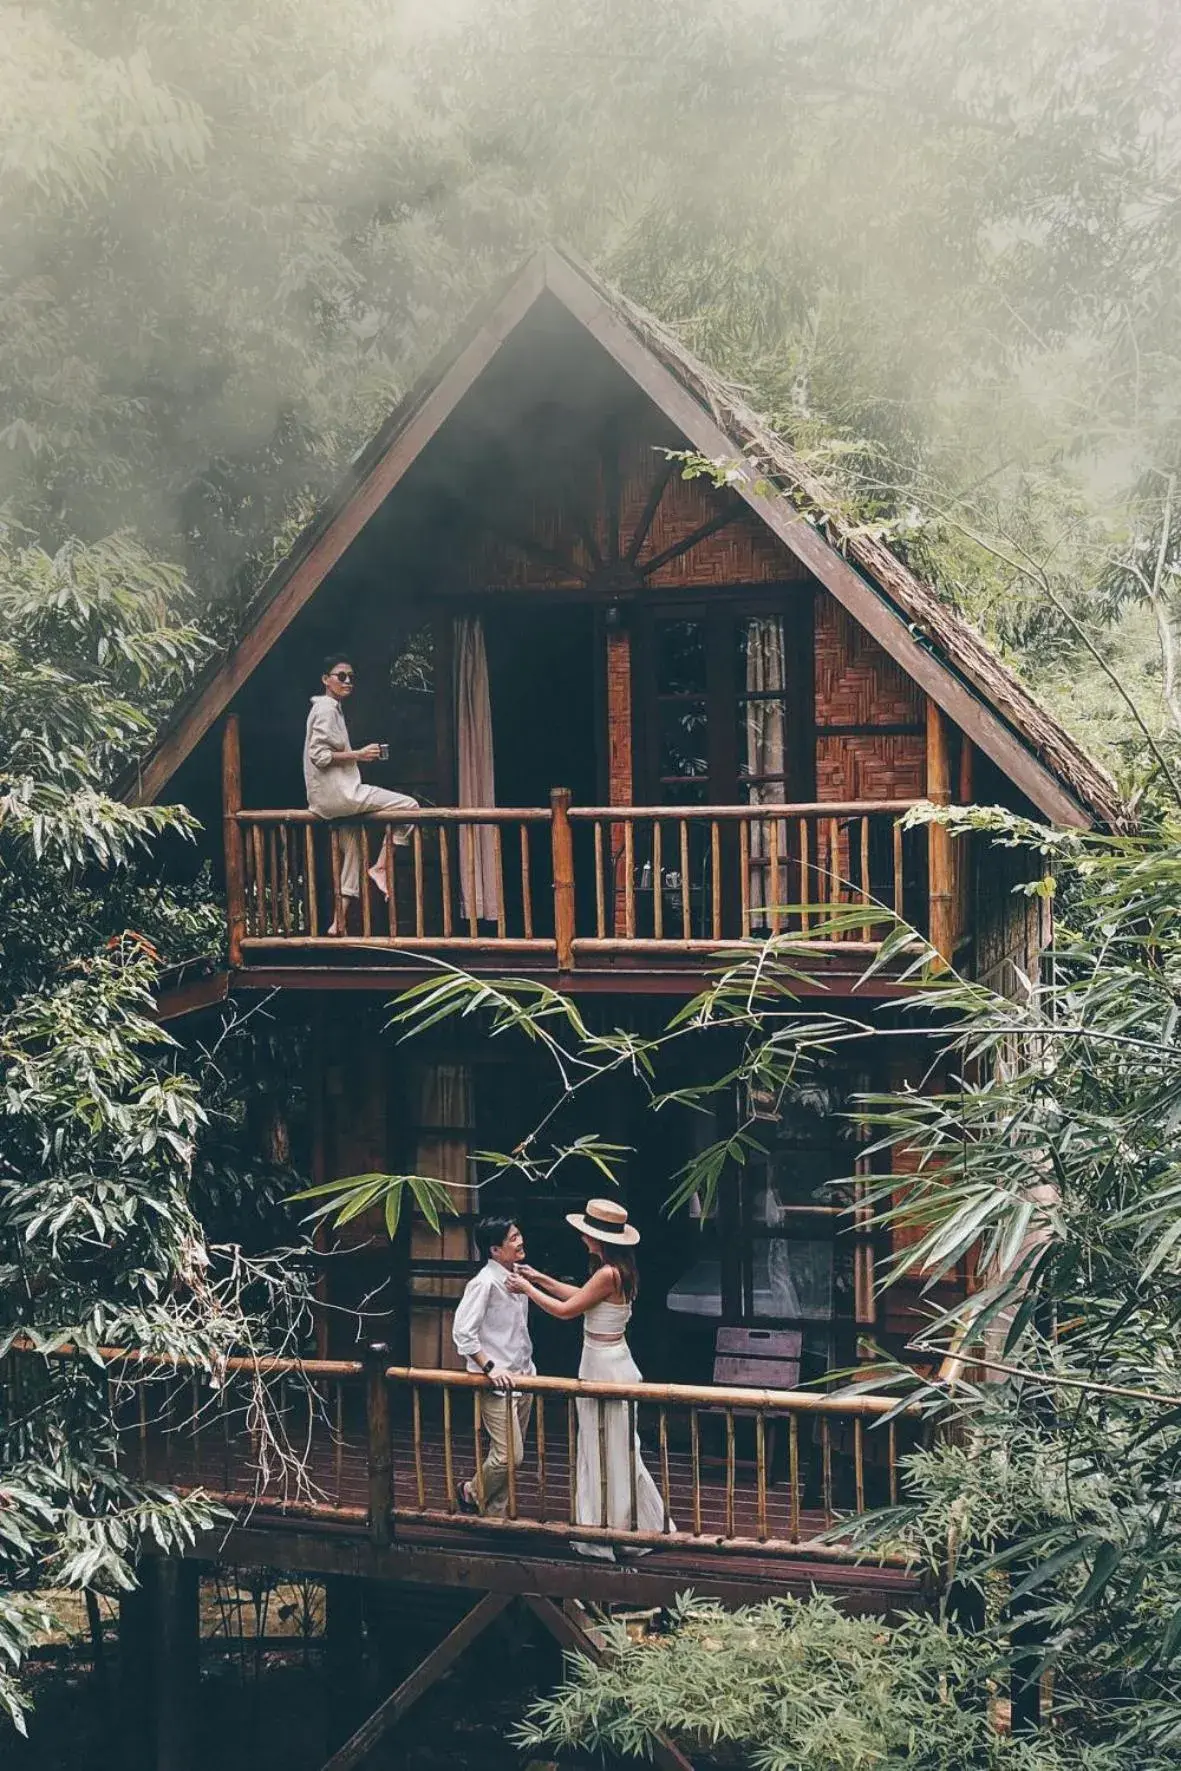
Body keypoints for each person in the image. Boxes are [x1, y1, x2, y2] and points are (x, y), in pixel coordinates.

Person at [506, 1198, 673, 1559]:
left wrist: (528, 1290)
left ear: (599, 1238)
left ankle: (617, 1524)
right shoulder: (615, 1270)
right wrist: (541, 1278)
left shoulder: (607, 1273)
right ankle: (619, 1520)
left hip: (605, 1365)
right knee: (612, 1445)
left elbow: (568, 1311)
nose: (582, 1237)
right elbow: (582, 1298)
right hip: (606, 1359)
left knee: (611, 1447)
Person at [303, 652, 419, 935]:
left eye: (351, 677)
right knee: (411, 806)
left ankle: (338, 922)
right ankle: (381, 866)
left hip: (326, 801)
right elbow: (318, 755)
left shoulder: (332, 709)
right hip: (341, 795)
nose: (347, 681)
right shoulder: (326, 709)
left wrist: (355, 756)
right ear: (325, 680)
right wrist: (360, 755)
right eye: (340, 676)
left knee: (352, 848)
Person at [451, 1216, 534, 1516]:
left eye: (518, 1234)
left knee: (508, 1452)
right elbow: (463, 1332)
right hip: (497, 1382)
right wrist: (489, 1368)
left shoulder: (517, 1277)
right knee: (509, 1455)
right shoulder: (484, 1283)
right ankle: (470, 1491)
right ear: (495, 1250)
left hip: (523, 1374)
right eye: (512, 1239)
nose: (520, 1241)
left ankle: (496, 1515)